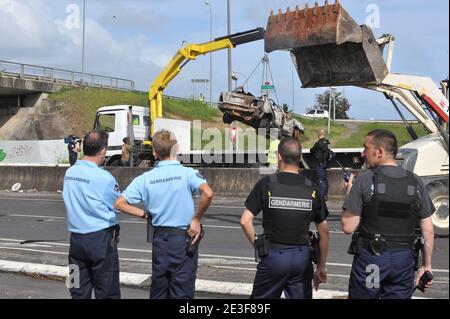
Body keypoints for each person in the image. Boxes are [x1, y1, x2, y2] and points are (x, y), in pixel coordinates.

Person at [114, 129, 213, 299]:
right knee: (182, 292)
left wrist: (145, 214)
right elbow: (208, 193)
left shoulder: (145, 178)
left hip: (160, 240)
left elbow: (119, 203)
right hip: (183, 239)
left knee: (159, 290)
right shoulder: (187, 173)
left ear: (154, 152)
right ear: (177, 148)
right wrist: (196, 218)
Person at [341, 129, 435, 299]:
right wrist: (426, 266)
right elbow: (428, 229)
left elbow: (348, 226)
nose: (363, 154)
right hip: (403, 262)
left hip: (372, 259)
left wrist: (349, 194)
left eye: (366, 148)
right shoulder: (415, 181)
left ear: (379, 152)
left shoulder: (365, 179)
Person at [241, 137, 329, 299]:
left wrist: (258, 245)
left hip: (274, 255)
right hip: (302, 259)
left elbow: (245, 220)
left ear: (279, 157)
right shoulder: (312, 188)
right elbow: (324, 232)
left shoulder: (266, 184)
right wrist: (321, 267)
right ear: (300, 158)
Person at [63, 131, 141, 299]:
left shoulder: (70, 173)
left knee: (76, 288)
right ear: (103, 151)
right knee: (107, 291)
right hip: (100, 241)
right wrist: (144, 214)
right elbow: (119, 204)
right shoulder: (104, 178)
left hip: (76, 241)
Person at [310, 129, 331, 201]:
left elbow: (312, 150)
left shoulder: (318, 143)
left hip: (319, 164)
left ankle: (321, 196)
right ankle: (325, 195)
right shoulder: (327, 143)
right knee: (325, 179)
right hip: (325, 163)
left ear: (318, 134)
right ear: (324, 134)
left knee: (320, 179)